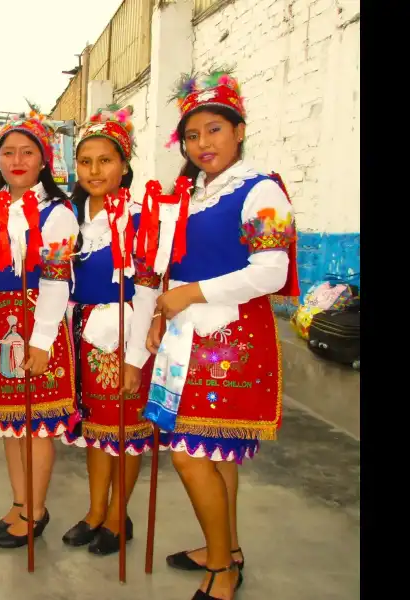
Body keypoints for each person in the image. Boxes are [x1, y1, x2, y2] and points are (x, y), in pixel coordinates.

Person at [145, 69, 299, 600]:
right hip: (188, 336)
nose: (202, 143)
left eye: (214, 130)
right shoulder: (191, 194)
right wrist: (164, 312)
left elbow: (271, 272)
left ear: (239, 130)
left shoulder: (260, 191)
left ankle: (221, 570)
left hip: (232, 341)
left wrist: (188, 296)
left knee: (191, 454)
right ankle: (225, 550)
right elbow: (175, 266)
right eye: (192, 135)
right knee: (213, 455)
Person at [0, 104, 78, 548]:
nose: (17, 161)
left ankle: (36, 511)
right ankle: (20, 501)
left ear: (43, 160)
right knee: (11, 424)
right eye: (8, 152)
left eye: (27, 152)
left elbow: (56, 281)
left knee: (36, 425)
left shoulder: (57, 212)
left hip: (39, 326)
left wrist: (40, 341)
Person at [59, 106, 158, 555]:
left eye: (105, 160)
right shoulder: (70, 219)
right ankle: (96, 511)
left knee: (124, 430)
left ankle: (120, 516)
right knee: (95, 429)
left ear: (125, 164)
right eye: (85, 162)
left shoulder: (142, 217)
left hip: (124, 336)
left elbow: (153, 290)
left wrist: (136, 354)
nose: (95, 170)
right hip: (82, 334)